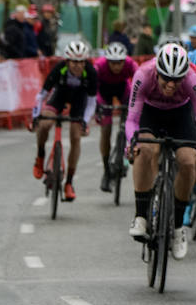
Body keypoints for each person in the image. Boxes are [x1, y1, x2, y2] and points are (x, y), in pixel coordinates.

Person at [125, 43, 196, 260]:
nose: (171, 85)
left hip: (180, 116)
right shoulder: (143, 74)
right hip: (150, 113)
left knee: (188, 161)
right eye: (166, 78)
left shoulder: (191, 80)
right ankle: (140, 216)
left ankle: (177, 227)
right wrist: (131, 143)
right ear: (157, 71)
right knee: (146, 149)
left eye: (176, 80)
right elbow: (131, 120)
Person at [31, 40, 98, 201]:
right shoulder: (59, 69)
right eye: (74, 62)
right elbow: (41, 95)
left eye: (81, 62)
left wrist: (85, 121)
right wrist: (35, 117)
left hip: (79, 100)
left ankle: (69, 182)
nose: (77, 66)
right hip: (60, 95)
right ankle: (40, 156)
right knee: (45, 123)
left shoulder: (90, 73)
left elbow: (91, 103)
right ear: (67, 61)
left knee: (76, 137)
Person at [94, 42, 137, 192]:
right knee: (106, 131)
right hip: (103, 93)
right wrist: (96, 105)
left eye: (120, 63)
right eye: (113, 63)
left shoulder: (130, 64)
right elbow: (92, 87)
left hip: (123, 90)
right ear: (107, 61)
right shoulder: (99, 65)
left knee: (130, 121)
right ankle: (106, 171)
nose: (117, 67)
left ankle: (123, 155)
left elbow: (140, 81)